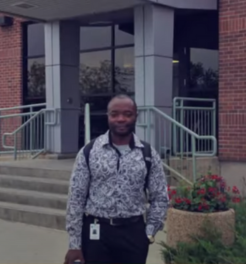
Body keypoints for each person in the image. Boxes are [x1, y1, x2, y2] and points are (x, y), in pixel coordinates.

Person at [64, 94, 169, 264]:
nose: (121, 119)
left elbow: (160, 197)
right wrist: (74, 244)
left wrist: (149, 232)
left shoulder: (148, 154)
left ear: (136, 116)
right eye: (115, 114)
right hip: (96, 233)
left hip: (133, 234)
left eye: (127, 114)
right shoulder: (89, 151)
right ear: (108, 117)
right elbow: (76, 199)